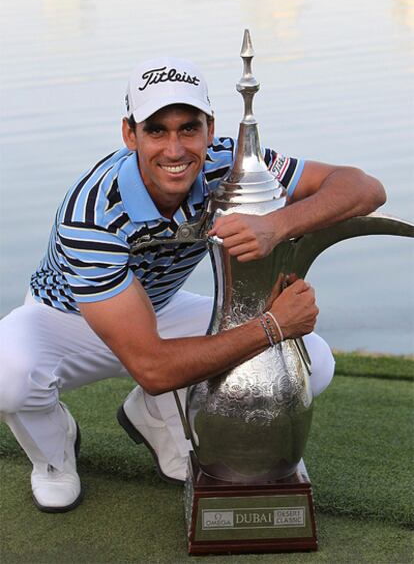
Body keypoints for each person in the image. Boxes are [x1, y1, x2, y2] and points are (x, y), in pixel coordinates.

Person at [0, 57, 386, 513]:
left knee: (313, 363)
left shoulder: (224, 161)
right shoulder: (91, 216)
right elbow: (153, 368)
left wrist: (278, 225)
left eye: (188, 128)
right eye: (156, 130)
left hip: (159, 307)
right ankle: (54, 459)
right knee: (10, 375)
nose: (175, 148)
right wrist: (272, 326)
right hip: (65, 319)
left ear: (210, 129)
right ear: (130, 134)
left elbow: (363, 188)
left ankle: (152, 415)